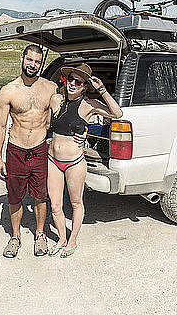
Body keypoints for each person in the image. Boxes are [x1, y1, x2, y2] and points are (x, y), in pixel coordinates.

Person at [47, 64, 123, 258]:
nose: (72, 84)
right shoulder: (55, 100)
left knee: (75, 203)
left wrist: (102, 90)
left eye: (78, 82)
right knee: (55, 205)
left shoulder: (88, 105)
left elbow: (117, 113)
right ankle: (62, 239)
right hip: (53, 160)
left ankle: (73, 240)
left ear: (84, 87)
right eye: (70, 79)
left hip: (74, 162)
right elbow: (48, 125)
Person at [0, 44, 57, 258]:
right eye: (29, 60)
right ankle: (15, 236)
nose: (33, 65)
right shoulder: (9, 90)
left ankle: (40, 235)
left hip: (39, 149)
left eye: (37, 61)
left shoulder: (50, 88)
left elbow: (61, 115)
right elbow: (1, 126)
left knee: (40, 196)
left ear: (41, 63)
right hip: (16, 150)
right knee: (14, 197)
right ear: (22, 59)